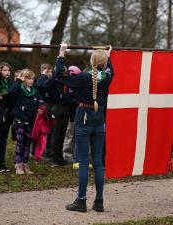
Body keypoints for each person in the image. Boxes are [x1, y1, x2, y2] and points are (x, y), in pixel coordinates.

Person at [59, 43, 113, 212]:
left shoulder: (82, 77)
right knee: (98, 162)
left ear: (91, 62)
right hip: (99, 120)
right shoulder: (108, 76)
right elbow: (110, 69)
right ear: (104, 64)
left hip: (84, 118)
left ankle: (81, 201)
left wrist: (62, 52)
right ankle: (99, 201)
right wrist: (108, 55)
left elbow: (60, 75)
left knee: (83, 162)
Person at [8, 69, 43, 174]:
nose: (31, 81)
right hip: (19, 122)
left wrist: (41, 108)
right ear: (23, 78)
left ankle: (25, 164)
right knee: (20, 143)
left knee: (28, 143)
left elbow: (40, 102)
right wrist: (18, 81)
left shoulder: (34, 91)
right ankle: (18, 165)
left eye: (32, 78)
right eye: (28, 78)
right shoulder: (18, 89)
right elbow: (10, 92)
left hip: (31, 122)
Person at [0, 62, 14, 173]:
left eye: (8, 70)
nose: (7, 72)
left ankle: (1, 163)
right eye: (4, 70)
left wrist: (5, 96)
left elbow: (12, 94)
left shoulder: (10, 82)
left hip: (7, 112)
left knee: (4, 139)